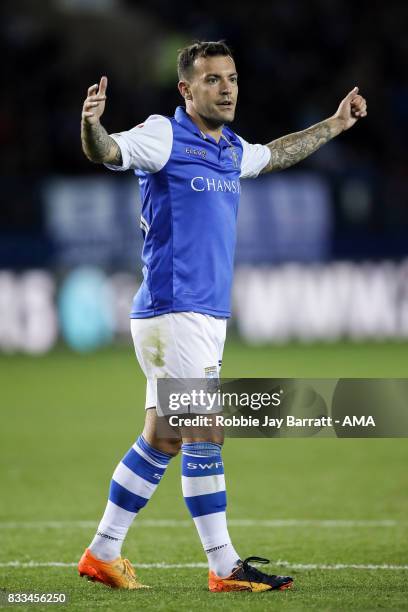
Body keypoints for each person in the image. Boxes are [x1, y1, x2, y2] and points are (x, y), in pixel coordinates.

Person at [78, 40, 367, 593]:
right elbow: (105, 152)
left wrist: (334, 124)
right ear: (186, 90)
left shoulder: (231, 148)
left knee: (164, 437)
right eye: (212, 79)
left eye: (231, 77)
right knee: (206, 430)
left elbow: (275, 153)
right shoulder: (164, 134)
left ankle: (103, 551)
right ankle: (224, 565)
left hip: (200, 316)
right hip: (173, 310)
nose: (227, 87)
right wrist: (91, 125)